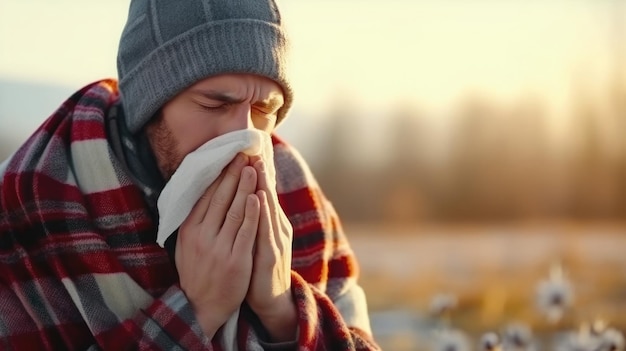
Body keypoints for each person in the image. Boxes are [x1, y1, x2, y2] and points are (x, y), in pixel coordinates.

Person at [0, 0, 380, 350]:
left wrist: (283, 314)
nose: (242, 135)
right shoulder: (27, 203)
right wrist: (196, 310)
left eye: (264, 109)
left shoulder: (295, 193)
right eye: (214, 103)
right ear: (148, 105)